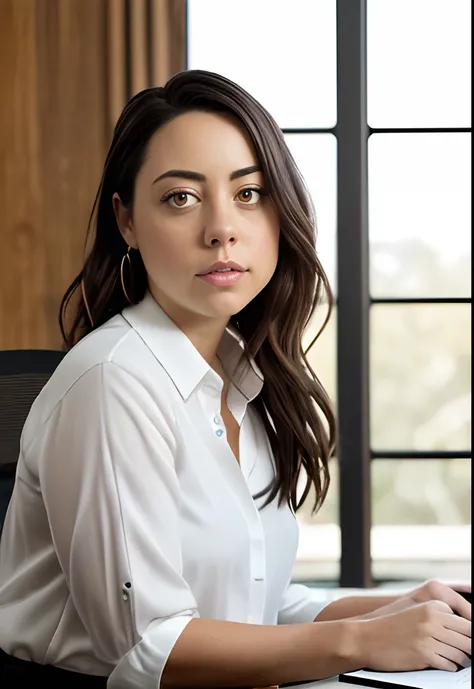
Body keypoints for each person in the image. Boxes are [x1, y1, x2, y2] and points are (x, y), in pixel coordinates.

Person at [0, 69, 470, 688]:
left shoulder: (238, 375)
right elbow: (154, 647)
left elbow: (248, 608)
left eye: (248, 194)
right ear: (127, 222)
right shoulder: (113, 382)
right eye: (181, 198)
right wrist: (361, 640)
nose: (222, 228)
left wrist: (393, 608)